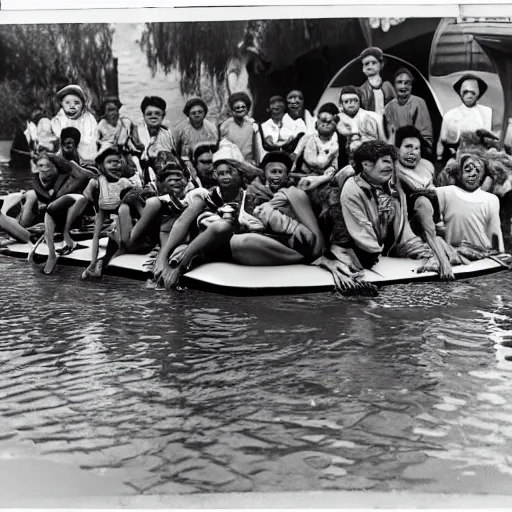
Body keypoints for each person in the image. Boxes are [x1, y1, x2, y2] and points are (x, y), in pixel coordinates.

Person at [340, 140, 463, 275]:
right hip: (360, 250)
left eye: (391, 162)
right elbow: (361, 233)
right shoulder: (352, 189)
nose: (390, 166)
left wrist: (427, 255)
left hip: (387, 246)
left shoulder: (392, 186)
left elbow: (403, 231)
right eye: (385, 161)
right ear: (366, 165)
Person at [394, 126, 454, 279]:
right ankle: (439, 256)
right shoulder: (393, 169)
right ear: (397, 149)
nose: (412, 152)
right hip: (410, 227)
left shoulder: (427, 166)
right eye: (407, 147)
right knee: (422, 201)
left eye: (416, 148)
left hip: (435, 223)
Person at [81, 146, 133, 279]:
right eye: (110, 162)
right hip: (103, 212)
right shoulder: (96, 181)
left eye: (117, 162)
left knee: (120, 244)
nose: (114, 165)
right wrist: (91, 201)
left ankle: (102, 263)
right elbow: (86, 193)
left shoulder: (124, 182)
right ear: (101, 166)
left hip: (121, 217)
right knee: (96, 236)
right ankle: (94, 263)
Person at [437, 151, 504, 253]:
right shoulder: (445, 192)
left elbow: (494, 234)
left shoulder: (491, 199)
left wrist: (499, 255)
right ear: (459, 173)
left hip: (483, 256)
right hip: (453, 257)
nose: (473, 174)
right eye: (468, 169)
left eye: (478, 170)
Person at [437, 74, 493, 164]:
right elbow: (442, 141)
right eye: (465, 92)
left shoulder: (486, 112)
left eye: (473, 92)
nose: (469, 95)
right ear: (460, 93)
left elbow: (490, 141)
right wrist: (439, 160)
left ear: (478, 93)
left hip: (481, 158)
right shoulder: (450, 115)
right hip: (456, 158)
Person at [292, 103, 349, 186]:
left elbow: (341, 167)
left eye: (329, 122)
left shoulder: (340, 143)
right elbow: (293, 163)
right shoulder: (306, 138)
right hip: (303, 180)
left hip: (330, 183)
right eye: (322, 121)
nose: (324, 124)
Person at [384, 68, 433, 155]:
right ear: (394, 85)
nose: (403, 86)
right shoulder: (389, 107)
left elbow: (425, 134)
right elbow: (390, 135)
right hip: (396, 150)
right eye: (399, 82)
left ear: (411, 86)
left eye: (407, 83)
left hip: (416, 149)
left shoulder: (418, 103)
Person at [50, 85, 98, 163]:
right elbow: (57, 136)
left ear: (83, 104)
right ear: (61, 104)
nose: (72, 106)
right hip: (64, 156)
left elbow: (89, 140)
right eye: (67, 103)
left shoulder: (88, 119)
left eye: (76, 103)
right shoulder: (58, 119)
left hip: (85, 157)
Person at [132, 96, 176, 182]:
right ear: (144, 116)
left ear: (163, 115)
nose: (153, 117)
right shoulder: (135, 133)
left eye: (157, 113)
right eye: (149, 114)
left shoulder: (168, 134)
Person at [337, 86, 385, 152]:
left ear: (360, 101)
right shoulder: (337, 120)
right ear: (341, 104)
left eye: (354, 100)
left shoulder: (375, 117)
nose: (351, 103)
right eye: (346, 101)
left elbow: (384, 142)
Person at [174, 98, 218, 163]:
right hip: (185, 161)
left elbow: (214, 150)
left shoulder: (211, 128)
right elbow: (175, 150)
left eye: (200, 112)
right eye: (193, 113)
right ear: (188, 115)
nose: (197, 115)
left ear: (205, 113)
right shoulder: (180, 129)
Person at [218, 92, 258, 165]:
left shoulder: (253, 125)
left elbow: (257, 147)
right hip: (231, 164)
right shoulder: (224, 126)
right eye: (237, 107)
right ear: (232, 109)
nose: (240, 109)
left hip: (250, 164)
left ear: (247, 108)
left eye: (243, 107)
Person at [358, 47, 396, 116]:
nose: (370, 66)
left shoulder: (388, 86)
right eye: (366, 64)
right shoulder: (361, 91)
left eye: (374, 63)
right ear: (363, 68)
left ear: (381, 65)